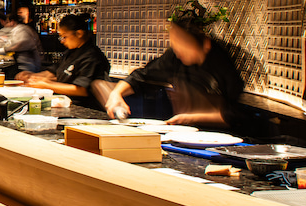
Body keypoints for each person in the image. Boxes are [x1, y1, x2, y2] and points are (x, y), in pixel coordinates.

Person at [104, 15, 244, 126]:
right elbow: (142, 76)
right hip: (185, 133)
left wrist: (191, 118)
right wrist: (116, 93)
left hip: (226, 138)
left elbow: (235, 114)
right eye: (175, 45)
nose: (178, 51)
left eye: (183, 45)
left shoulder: (221, 63)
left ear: (205, 44)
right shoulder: (175, 57)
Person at [17, 14, 110, 108]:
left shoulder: (92, 56)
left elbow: (81, 90)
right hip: (65, 103)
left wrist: (47, 85)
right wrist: (32, 76)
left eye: (64, 37)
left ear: (79, 34)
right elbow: (55, 72)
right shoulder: (70, 52)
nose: (62, 41)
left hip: (85, 107)